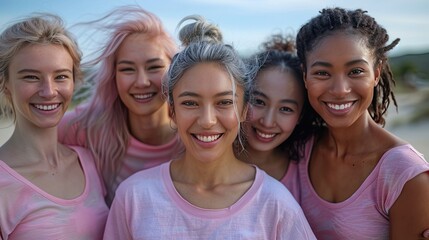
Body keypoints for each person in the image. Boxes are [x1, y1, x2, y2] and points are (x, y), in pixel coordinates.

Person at [103, 15, 316, 239]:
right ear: (173, 112)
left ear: (244, 110)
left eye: (224, 102)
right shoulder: (133, 198)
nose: (207, 120)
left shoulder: (276, 205)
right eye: (190, 103)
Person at [290, 7, 429, 239]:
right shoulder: (299, 148)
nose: (340, 90)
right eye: (322, 73)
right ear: (305, 76)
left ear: (376, 74)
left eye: (355, 71)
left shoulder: (405, 174)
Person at [57, 5, 182, 205]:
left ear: (175, 70)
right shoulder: (88, 127)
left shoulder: (194, 135)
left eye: (154, 67)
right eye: (127, 69)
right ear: (113, 76)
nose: (142, 81)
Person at [0, 14, 108, 239]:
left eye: (60, 76)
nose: (49, 92)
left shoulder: (88, 161)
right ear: (5, 83)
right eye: (31, 77)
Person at [239, 33, 316, 192]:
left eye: (286, 109)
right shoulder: (211, 154)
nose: (267, 122)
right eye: (259, 102)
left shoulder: (308, 167)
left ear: (301, 115)